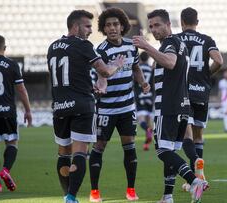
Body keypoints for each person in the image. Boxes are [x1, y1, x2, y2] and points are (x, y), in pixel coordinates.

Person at [47, 10, 125, 203]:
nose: (91, 31)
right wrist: (117, 65)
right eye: (88, 26)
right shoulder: (83, 45)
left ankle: (66, 195)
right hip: (82, 106)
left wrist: (89, 85)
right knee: (80, 152)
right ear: (76, 26)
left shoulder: (53, 47)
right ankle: (72, 197)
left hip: (60, 106)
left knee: (63, 152)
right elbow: (105, 72)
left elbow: (68, 76)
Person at [133, 9, 208, 203]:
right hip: (182, 106)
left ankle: (194, 181)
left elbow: (170, 62)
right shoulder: (179, 43)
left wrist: (146, 46)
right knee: (170, 151)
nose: (154, 29)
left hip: (168, 107)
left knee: (162, 152)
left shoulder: (169, 43)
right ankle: (167, 196)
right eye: (151, 27)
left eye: (157, 25)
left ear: (168, 25)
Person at [88, 8, 150, 202]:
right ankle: (94, 192)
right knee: (99, 147)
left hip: (127, 107)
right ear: (103, 29)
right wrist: (100, 86)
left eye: (115, 24)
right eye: (108, 25)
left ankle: (131, 189)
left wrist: (143, 83)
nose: (112, 28)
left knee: (129, 147)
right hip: (106, 108)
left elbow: (136, 68)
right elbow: (99, 76)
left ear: (122, 26)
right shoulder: (100, 51)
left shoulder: (132, 47)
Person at [177, 7, 223, 191]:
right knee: (198, 136)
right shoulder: (206, 39)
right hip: (201, 92)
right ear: (197, 21)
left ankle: (196, 170)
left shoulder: (176, 39)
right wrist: (206, 74)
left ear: (181, 21)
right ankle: (196, 178)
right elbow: (219, 61)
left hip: (183, 92)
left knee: (185, 136)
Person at [0, 34, 32, 193]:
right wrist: (28, 110)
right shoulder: (12, 64)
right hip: (8, 112)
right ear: (4, 48)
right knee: (12, 143)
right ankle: (6, 170)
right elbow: (21, 90)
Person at [134, 51, 154, 151]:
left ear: (140, 59)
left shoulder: (138, 69)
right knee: (149, 121)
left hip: (140, 96)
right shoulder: (151, 69)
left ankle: (147, 130)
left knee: (141, 120)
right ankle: (147, 144)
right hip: (150, 97)